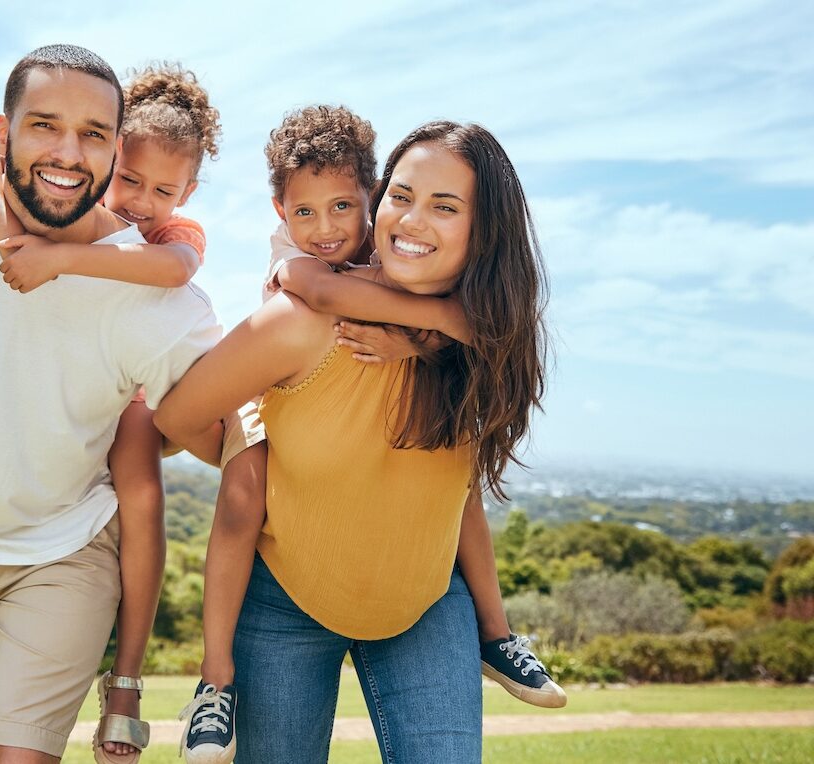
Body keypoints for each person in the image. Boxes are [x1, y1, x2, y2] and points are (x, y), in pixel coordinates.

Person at [175, 106, 563, 763]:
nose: (412, 220)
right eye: (404, 198)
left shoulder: (485, 335)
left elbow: (496, 331)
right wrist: (261, 467)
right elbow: (180, 413)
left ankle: (498, 637)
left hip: (427, 604)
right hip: (286, 603)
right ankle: (215, 683)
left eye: (445, 206)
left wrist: (428, 333)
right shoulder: (303, 302)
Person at [0, 44, 221, 764]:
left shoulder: (157, 296)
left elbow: (215, 418)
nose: (67, 151)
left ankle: (126, 681)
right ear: (4, 135)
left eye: (92, 134)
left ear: (113, 149)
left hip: (62, 550)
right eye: (44, 126)